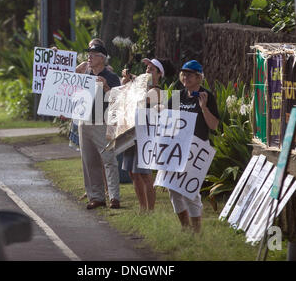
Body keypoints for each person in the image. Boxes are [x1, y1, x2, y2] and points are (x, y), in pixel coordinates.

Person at [167, 60, 219, 233]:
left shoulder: (207, 96)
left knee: (190, 190)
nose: (185, 77)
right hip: (176, 148)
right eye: (183, 74)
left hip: (197, 149)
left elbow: (213, 126)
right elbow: (166, 120)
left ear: (199, 77)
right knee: (172, 188)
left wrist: (204, 108)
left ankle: (197, 231)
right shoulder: (177, 97)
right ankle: (185, 227)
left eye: (189, 74)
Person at [121, 57, 176, 212]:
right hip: (133, 132)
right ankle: (142, 207)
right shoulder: (142, 87)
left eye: (151, 69)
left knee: (144, 174)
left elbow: (138, 100)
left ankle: (150, 210)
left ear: (159, 74)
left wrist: (130, 81)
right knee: (133, 173)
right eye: (147, 69)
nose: (147, 71)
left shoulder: (156, 91)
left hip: (146, 136)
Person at [77, 43, 122, 209]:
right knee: (89, 161)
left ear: (102, 59)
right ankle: (96, 197)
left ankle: (114, 197)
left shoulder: (111, 77)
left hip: (102, 122)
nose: (89, 56)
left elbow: (118, 101)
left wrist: (106, 87)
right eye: (88, 53)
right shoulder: (85, 74)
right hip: (84, 121)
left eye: (93, 54)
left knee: (109, 160)